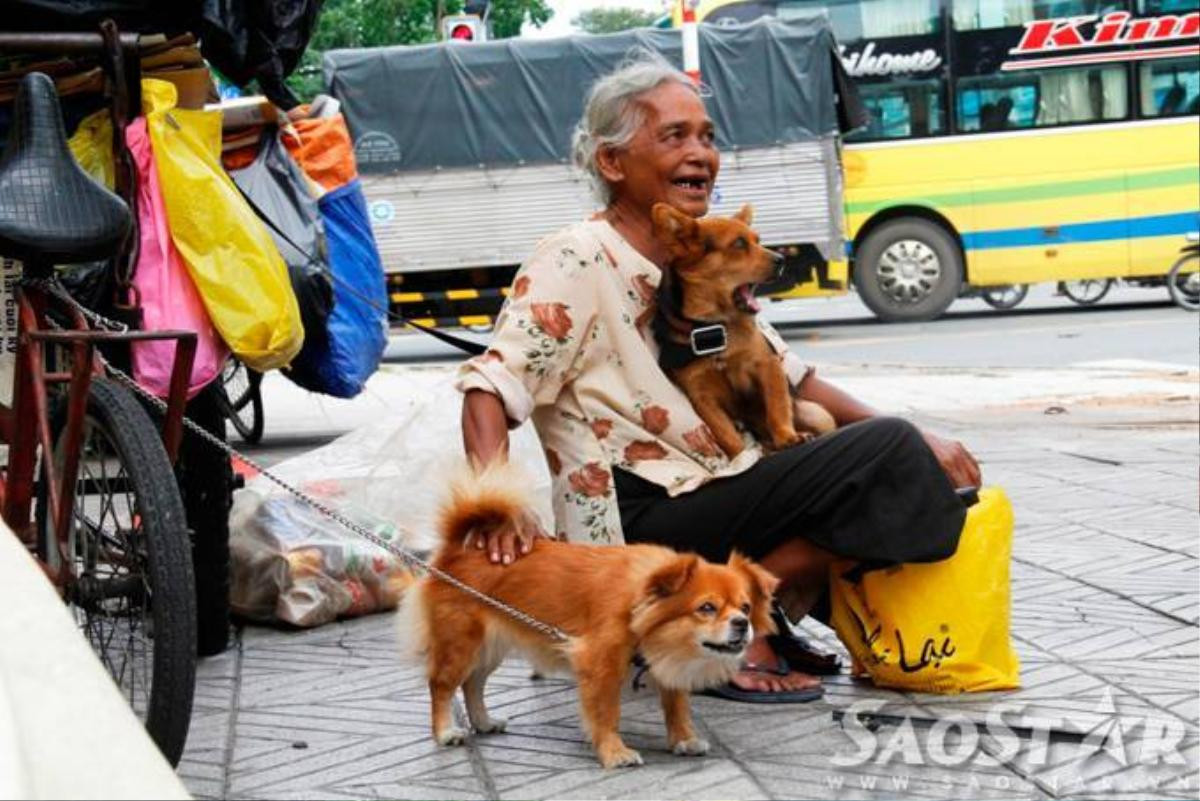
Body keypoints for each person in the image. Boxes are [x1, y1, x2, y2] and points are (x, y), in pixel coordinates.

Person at [456, 55, 981, 701]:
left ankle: (746, 615)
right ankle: (738, 626)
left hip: (722, 482)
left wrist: (927, 440)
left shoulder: (709, 254)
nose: (701, 154)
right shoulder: (578, 255)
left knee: (891, 455)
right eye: (674, 136)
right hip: (639, 517)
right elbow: (490, 383)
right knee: (888, 450)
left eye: (706, 136)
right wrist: (498, 508)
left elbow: (793, 379)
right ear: (612, 163)